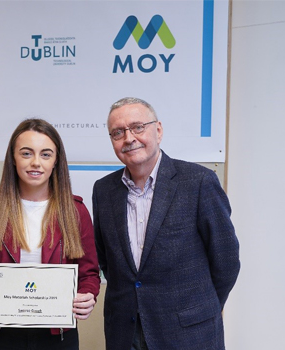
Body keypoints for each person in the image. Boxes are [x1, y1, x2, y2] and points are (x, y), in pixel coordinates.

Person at [92, 97, 240, 350]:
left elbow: (225, 261)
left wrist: (203, 308)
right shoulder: (104, 190)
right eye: (118, 132)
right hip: (124, 332)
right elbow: (107, 261)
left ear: (158, 130)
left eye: (138, 127)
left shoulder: (198, 182)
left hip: (188, 333)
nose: (129, 138)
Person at [0, 118, 101, 349]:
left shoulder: (75, 211)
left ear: (56, 161)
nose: (36, 163)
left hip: (58, 336)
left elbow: (89, 274)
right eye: (26, 153)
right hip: (1, 334)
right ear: (13, 159)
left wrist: (88, 295)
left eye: (46, 155)